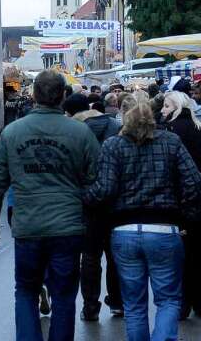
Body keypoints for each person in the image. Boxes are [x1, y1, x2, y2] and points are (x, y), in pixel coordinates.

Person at [0, 69, 101, 341]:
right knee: (64, 295)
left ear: (34, 96)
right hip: (67, 228)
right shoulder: (80, 133)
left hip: (28, 227)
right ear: (62, 97)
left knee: (25, 290)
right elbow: (97, 179)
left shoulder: (12, 133)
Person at [84, 103, 201, 341]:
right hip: (164, 229)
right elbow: (194, 181)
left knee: (134, 305)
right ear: (153, 119)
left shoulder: (113, 146)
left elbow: (105, 189)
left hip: (124, 231)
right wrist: (186, 214)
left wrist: (82, 196)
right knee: (168, 299)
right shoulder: (171, 142)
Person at [162, 92, 201, 319]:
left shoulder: (172, 132)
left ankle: (184, 302)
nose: (163, 110)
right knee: (199, 248)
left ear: (176, 107)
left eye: (166, 105)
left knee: (181, 252)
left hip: (180, 200)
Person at [71, 92, 124, 321]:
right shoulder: (116, 126)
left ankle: (90, 307)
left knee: (90, 258)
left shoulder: (74, 131)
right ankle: (118, 302)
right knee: (116, 256)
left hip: (87, 203)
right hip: (116, 200)